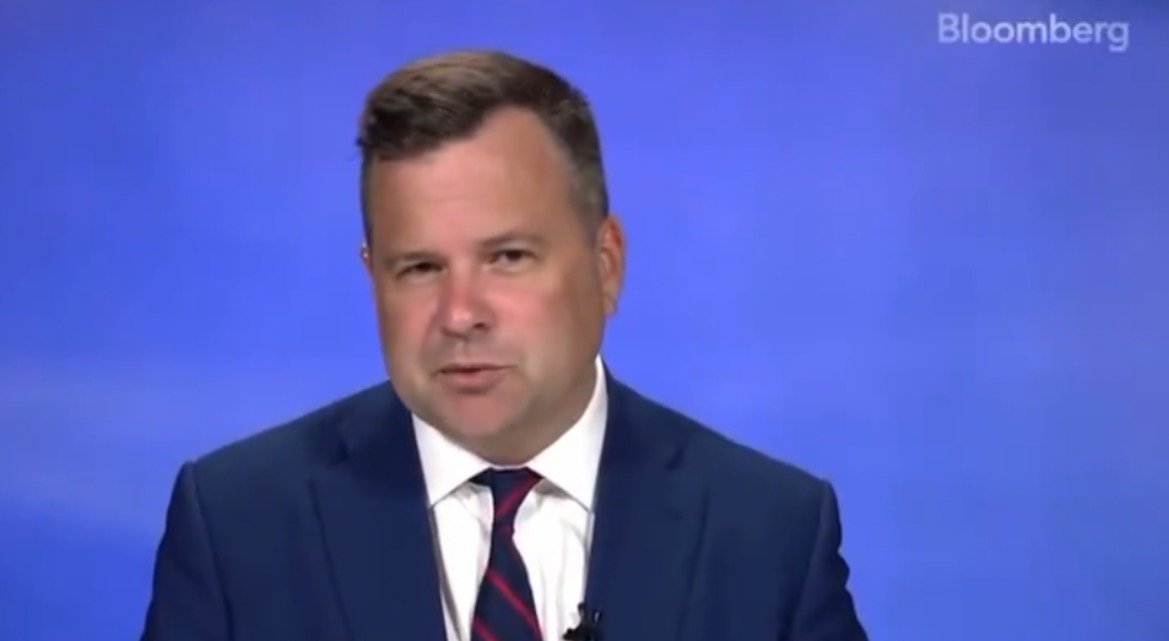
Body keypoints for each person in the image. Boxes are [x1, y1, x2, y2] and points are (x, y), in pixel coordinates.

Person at [139, 49, 868, 641]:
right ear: (372, 277)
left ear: (605, 263)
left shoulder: (768, 533)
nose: (460, 313)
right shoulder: (238, 525)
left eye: (507, 257)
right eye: (419, 268)